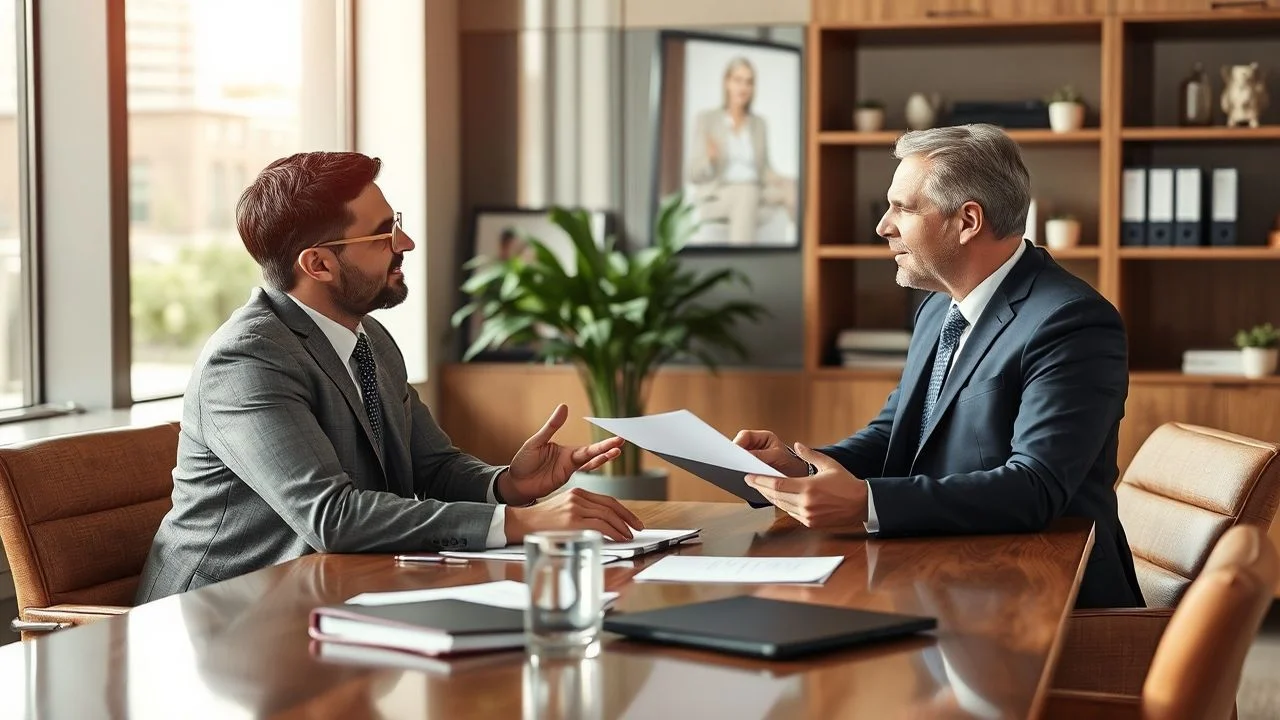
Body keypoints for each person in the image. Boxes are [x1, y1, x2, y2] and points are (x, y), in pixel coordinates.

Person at [136, 151, 642, 603]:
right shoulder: (247, 360)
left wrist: (508, 484)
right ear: (318, 264)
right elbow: (333, 517)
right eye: (383, 234)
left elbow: (433, 467)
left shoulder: (370, 338)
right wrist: (523, 522)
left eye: (395, 224)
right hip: (221, 619)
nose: (406, 242)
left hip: (332, 593)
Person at [734, 124, 1143, 609]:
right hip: (945, 574)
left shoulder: (1071, 321)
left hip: (1048, 597)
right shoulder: (937, 308)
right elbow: (895, 435)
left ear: (967, 220)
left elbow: (1035, 487)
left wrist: (867, 502)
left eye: (903, 208)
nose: (883, 226)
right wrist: (799, 468)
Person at [686, 56, 796, 246]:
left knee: (795, 187)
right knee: (747, 193)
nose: (743, 87)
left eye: (749, 82)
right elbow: (692, 174)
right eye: (738, 80)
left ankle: (807, 246)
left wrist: (783, 180)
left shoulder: (759, 124)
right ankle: (742, 255)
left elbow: (764, 169)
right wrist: (710, 160)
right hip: (718, 194)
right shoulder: (707, 120)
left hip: (756, 188)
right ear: (727, 83)